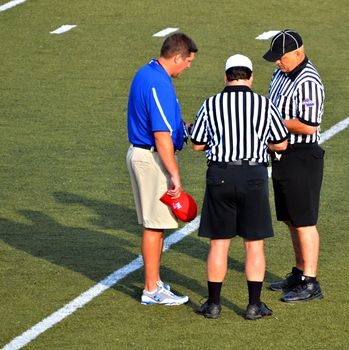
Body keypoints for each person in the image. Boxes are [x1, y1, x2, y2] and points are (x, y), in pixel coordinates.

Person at [190, 54, 288, 319]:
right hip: (253, 176)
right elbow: (281, 142)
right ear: (251, 77)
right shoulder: (263, 104)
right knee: (254, 244)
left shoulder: (211, 104)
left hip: (220, 175)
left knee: (219, 244)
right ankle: (254, 305)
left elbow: (198, 144)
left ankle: (213, 304)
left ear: (226, 77)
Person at [126, 32, 198, 305]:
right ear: (177, 57)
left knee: (156, 225)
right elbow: (161, 134)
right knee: (155, 226)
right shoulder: (159, 82)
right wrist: (174, 175)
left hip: (146, 154)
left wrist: (186, 128)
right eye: (188, 61)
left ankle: (153, 283)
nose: (188, 66)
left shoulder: (147, 73)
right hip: (152, 158)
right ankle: (151, 289)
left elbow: (165, 124)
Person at [263, 29, 325, 302]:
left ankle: (311, 282)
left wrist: (273, 121)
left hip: (301, 154)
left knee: (304, 221)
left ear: (299, 52)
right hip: (281, 155)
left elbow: (308, 125)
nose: (278, 62)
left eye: (282, 57)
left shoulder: (309, 81)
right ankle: (299, 272)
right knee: (290, 218)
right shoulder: (280, 74)